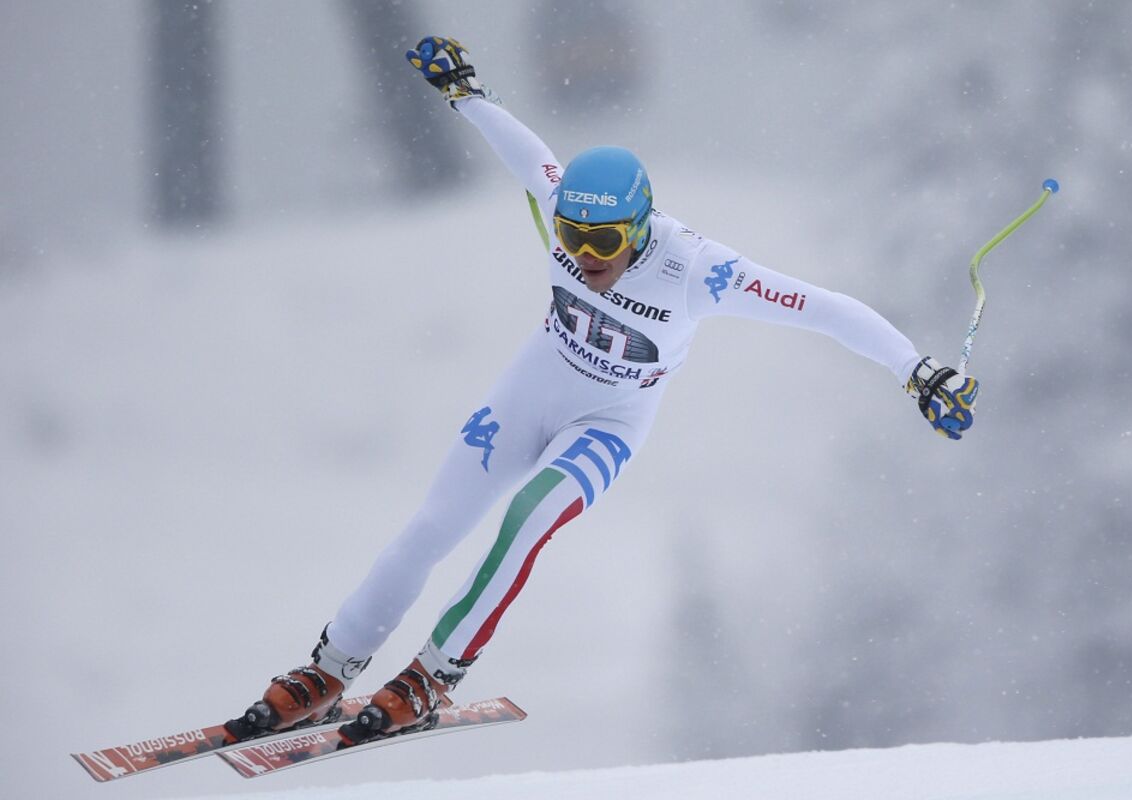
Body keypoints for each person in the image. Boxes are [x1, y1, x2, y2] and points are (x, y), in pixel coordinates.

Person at [225, 36, 979, 742]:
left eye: (605, 241)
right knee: (431, 529)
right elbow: (532, 155)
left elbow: (824, 307)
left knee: (526, 520)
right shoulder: (573, 213)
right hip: (530, 391)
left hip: (609, 422)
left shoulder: (697, 270)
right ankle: (330, 668)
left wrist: (915, 371)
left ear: (641, 228)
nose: (586, 256)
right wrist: (466, 94)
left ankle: (434, 674)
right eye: (571, 238)